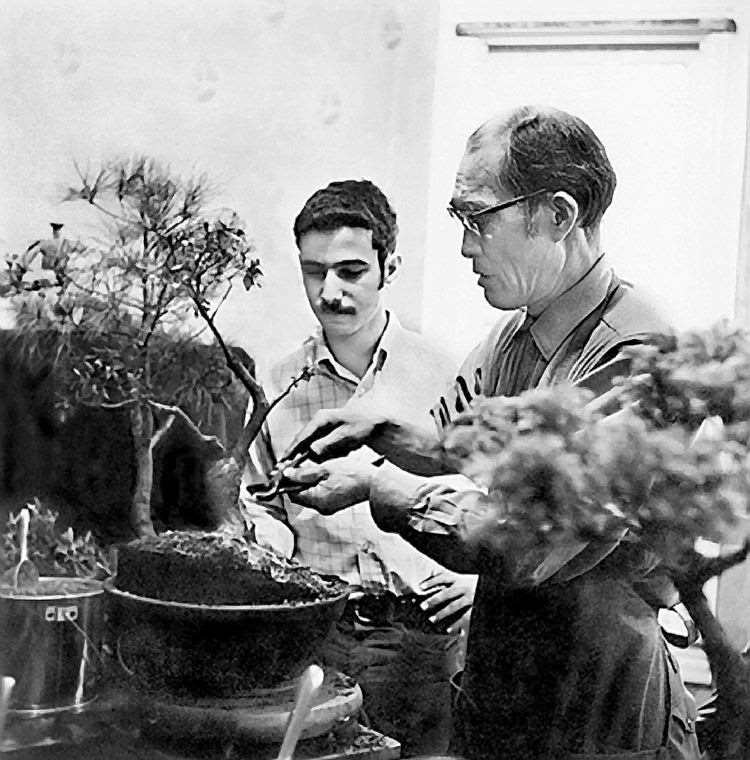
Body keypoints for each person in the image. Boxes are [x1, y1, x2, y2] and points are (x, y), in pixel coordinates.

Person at [277, 107, 701, 760]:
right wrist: (380, 428)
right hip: (507, 691)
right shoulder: (513, 336)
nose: (466, 247)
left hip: (599, 712)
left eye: (478, 219)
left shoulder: (640, 355)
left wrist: (375, 486)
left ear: (557, 215)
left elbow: (531, 540)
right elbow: (456, 440)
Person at [239, 179, 476, 756]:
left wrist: (478, 581)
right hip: (321, 636)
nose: (329, 291)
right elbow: (258, 502)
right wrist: (266, 545)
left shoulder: (446, 374)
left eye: (350, 272)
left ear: (388, 267)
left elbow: (495, 496)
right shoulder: (277, 385)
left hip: (424, 640)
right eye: (313, 271)